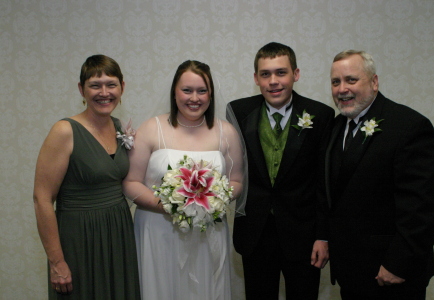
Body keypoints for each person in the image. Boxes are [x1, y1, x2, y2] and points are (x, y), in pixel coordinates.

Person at [122, 60, 246, 300]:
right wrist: (172, 206)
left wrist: (212, 201)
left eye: (202, 90)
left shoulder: (226, 132)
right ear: (174, 92)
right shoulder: (151, 128)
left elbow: (237, 181)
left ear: (210, 94)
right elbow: (131, 182)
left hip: (207, 230)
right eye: (187, 90)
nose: (194, 98)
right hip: (159, 229)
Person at [324, 50, 434, 300]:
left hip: (391, 274)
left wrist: (398, 263)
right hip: (351, 272)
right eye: (336, 82)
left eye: (351, 80)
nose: (342, 89)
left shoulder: (409, 126)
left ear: (374, 82)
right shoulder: (336, 127)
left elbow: (422, 207)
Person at [228, 42, 334, 299]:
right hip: (255, 232)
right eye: (265, 74)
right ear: (256, 78)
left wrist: (323, 236)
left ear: (295, 74)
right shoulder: (238, 111)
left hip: (304, 234)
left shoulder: (321, 115)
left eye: (281, 73)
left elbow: (324, 181)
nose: (273, 81)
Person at [33, 54, 140, 299]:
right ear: (81, 90)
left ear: (122, 87)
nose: (104, 92)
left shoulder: (118, 127)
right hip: (80, 238)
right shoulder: (64, 130)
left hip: (118, 234)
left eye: (111, 84)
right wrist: (57, 262)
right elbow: (41, 199)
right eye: (95, 85)